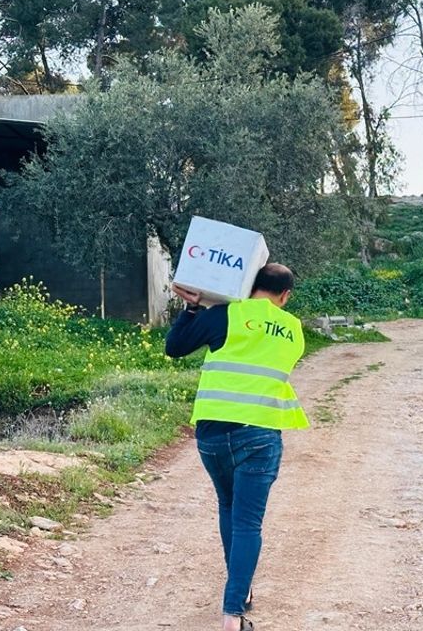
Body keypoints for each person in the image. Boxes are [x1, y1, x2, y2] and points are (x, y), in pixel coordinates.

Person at [165, 263, 309, 631]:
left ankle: (241, 594)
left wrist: (194, 308)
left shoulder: (224, 315)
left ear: (250, 285)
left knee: (229, 509)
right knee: (248, 522)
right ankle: (233, 613)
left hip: (212, 434)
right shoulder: (293, 329)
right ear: (285, 296)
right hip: (260, 434)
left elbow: (175, 348)